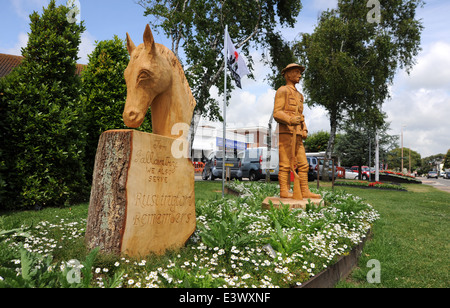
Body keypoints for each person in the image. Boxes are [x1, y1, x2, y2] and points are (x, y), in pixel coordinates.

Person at [273, 63, 321, 199]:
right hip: (286, 132)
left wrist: (304, 128)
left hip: (297, 133)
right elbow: (277, 113)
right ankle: (284, 190)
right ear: (288, 74)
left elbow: (301, 115)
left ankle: (304, 190)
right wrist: (289, 120)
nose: (299, 75)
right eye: (296, 72)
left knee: (303, 164)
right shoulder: (282, 91)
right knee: (285, 163)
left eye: (300, 72)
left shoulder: (300, 96)